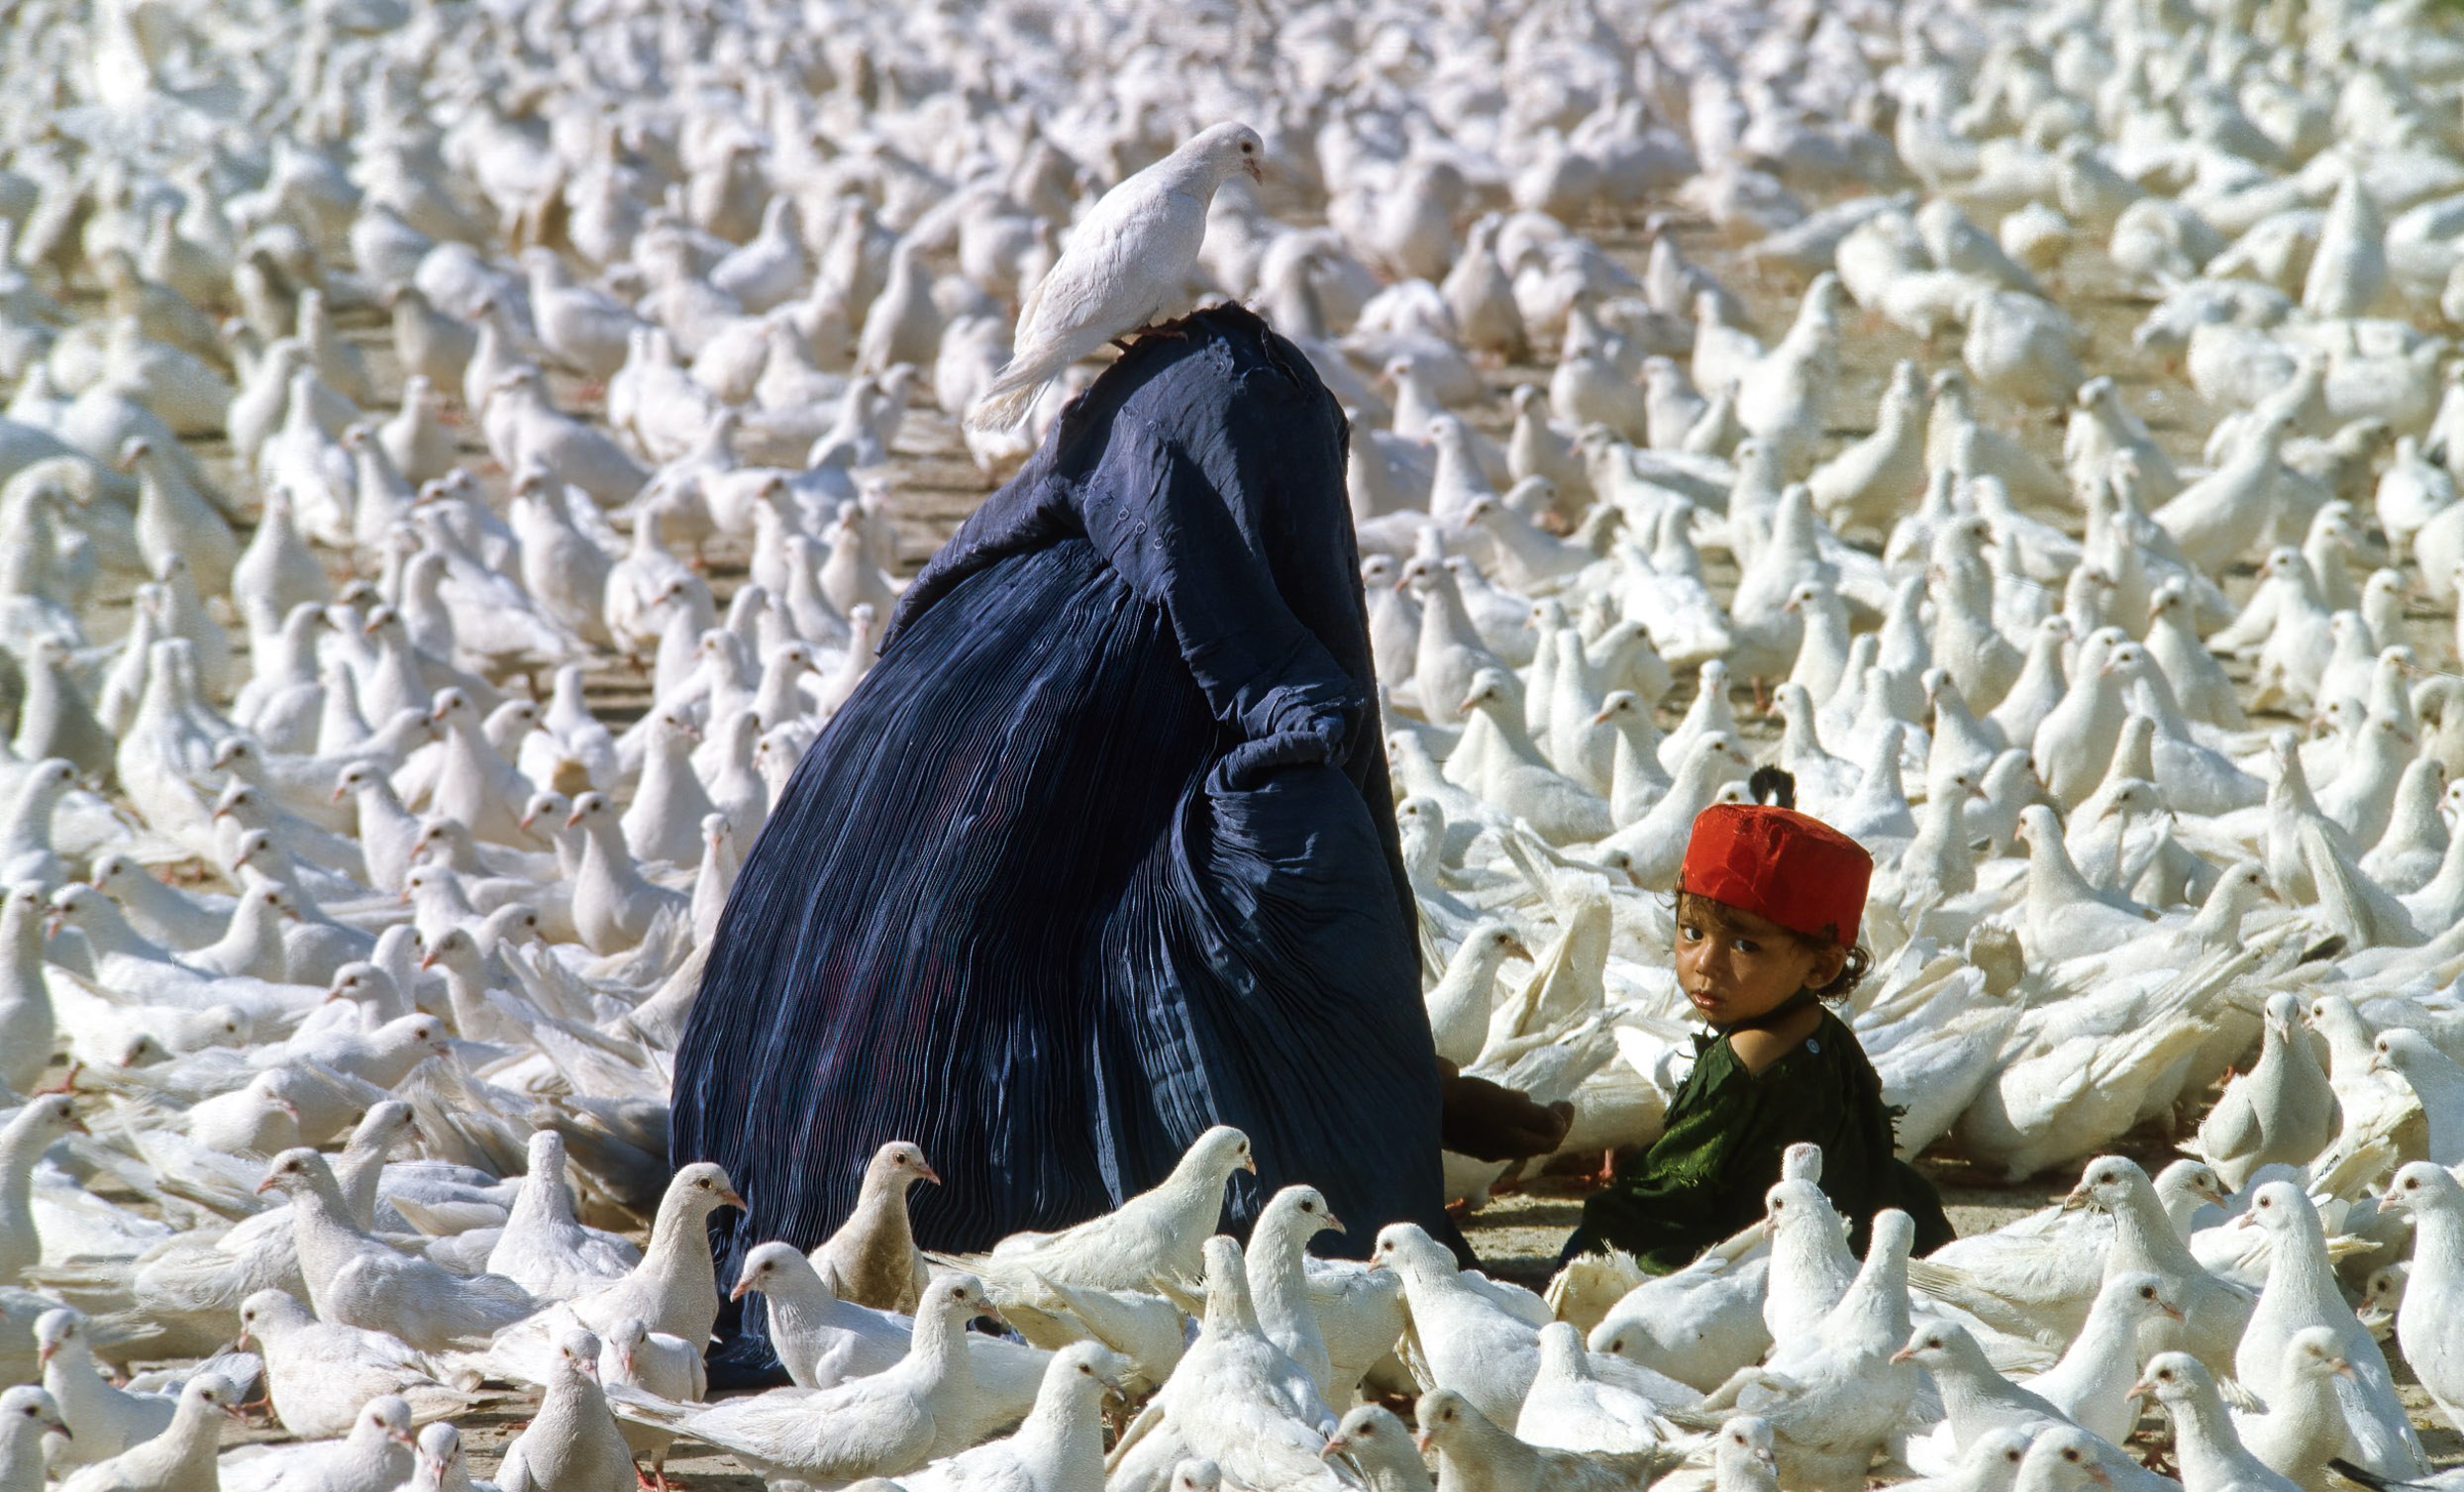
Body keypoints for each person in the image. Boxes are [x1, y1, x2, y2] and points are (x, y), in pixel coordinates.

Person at [669, 304, 1557, 1383]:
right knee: (1295, 867)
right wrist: (1390, 1086)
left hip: (750, 1138)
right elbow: (1295, 881)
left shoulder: (989, 588)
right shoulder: (1165, 641)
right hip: (953, 1163)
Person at [1562, 802, 1953, 1270]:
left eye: (1744, 945)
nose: (1704, 963)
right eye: (1691, 931)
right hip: (1840, 1251)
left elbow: (1670, 1183)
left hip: (1757, 1265)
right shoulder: (1829, 1038)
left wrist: (1592, 1244)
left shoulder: (1745, 1060)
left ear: (1821, 966)